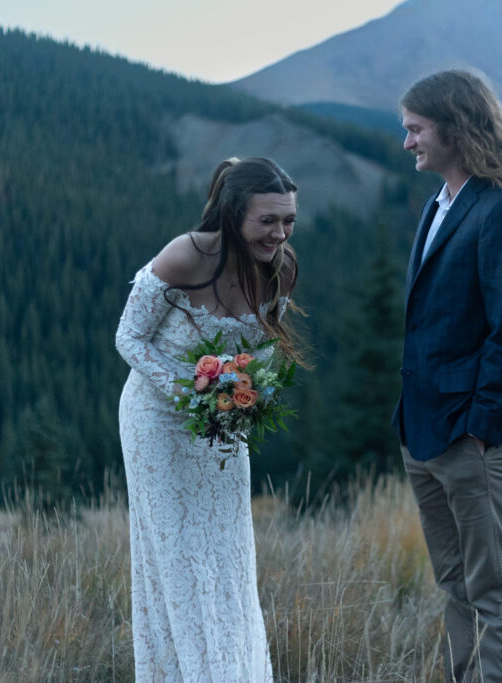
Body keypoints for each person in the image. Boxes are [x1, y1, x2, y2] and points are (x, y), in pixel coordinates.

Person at [392, 70, 502, 682]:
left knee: (493, 593)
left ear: (455, 129)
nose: (407, 142)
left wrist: (482, 430)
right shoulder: (438, 205)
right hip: (425, 433)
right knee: (454, 585)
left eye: (416, 130)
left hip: (474, 439)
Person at [115, 157, 302, 682]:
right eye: (268, 221)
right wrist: (188, 391)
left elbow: (263, 349)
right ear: (234, 213)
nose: (280, 233)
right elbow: (128, 338)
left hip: (223, 424)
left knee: (227, 554)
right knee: (177, 555)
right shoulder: (186, 256)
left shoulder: (282, 267)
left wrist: (244, 390)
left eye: (288, 220)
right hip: (155, 419)